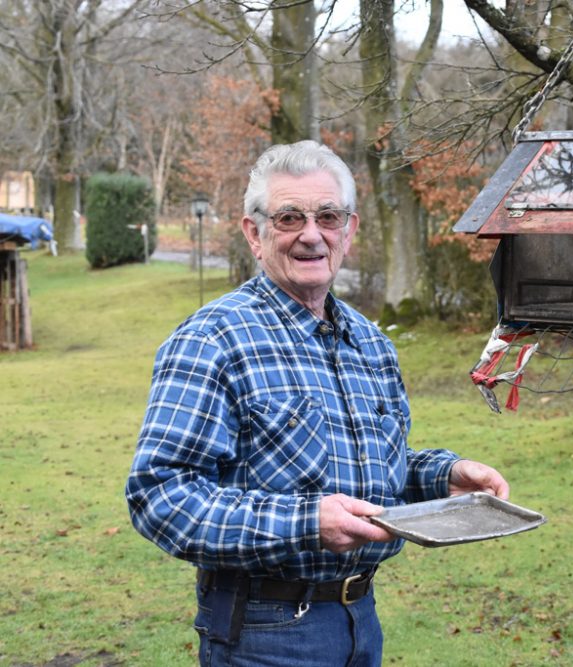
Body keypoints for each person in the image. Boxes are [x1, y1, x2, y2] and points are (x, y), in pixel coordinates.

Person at [126, 140, 509, 666]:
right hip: (264, 630)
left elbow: (369, 467)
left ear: (348, 231)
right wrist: (305, 522)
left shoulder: (370, 343)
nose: (311, 234)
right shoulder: (213, 339)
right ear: (254, 234)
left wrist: (442, 476)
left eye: (328, 216)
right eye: (289, 218)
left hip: (360, 619)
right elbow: (160, 496)